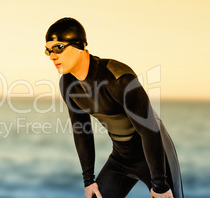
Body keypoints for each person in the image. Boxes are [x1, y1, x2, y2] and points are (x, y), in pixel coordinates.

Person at [44, 17, 184, 198]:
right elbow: (82, 131)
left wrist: (160, 185)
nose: (53, 56)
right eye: (48, 51)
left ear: (80, 46)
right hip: (121, 159)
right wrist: (89, 181)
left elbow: (150, 131)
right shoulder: (68, 84)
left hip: (157, 158)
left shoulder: (118, 78)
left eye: (58, 48)